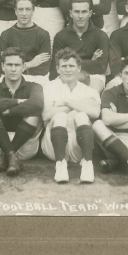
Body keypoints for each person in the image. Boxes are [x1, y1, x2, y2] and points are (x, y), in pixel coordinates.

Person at [41, 48, 102, 183]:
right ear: (57, 69)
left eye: (71, 66)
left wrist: (67, 102)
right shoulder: (49, 87)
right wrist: (79, 104)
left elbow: (96, 113)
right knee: (60, 116)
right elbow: (46, 115)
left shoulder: (89, 91)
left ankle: (87, 164)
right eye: (64, 66)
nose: (68, 70)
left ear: (79, 68)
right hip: (53, 145)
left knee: (81, 116)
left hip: (79, 146)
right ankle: (60, 165)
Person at [0, 47, 44, 175]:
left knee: (33, 113)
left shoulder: (34, 86)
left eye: (17, 65)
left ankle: (7, 157)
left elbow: (37, 104)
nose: (13, 69)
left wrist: (10, 111)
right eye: (9, 65)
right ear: (2, 66)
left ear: (24, 66)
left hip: (25, 146)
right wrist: (17, 102)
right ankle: (11, 157)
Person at [51, 0, 109, 92]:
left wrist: (71, 62)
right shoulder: (61, 36)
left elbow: (101, 67)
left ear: (90, 13)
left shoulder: (101, 35)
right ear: (70, 13)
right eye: (77, 12)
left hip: (94, 75)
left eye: (84, 12)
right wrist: (91, 61)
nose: (80, 16)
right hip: (67, 73)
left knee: (91, 92)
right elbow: (56, 65)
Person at [0, 0, 53, 87]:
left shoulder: (43, 34)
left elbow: (43, 68)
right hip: (11, 79)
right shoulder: (6, 35)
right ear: (15, 11)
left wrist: (14, 67)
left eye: (28, 9)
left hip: (36, 79)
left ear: (33, 11)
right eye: (20, 9)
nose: (24, 13)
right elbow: (1, 66)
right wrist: (31, 64)